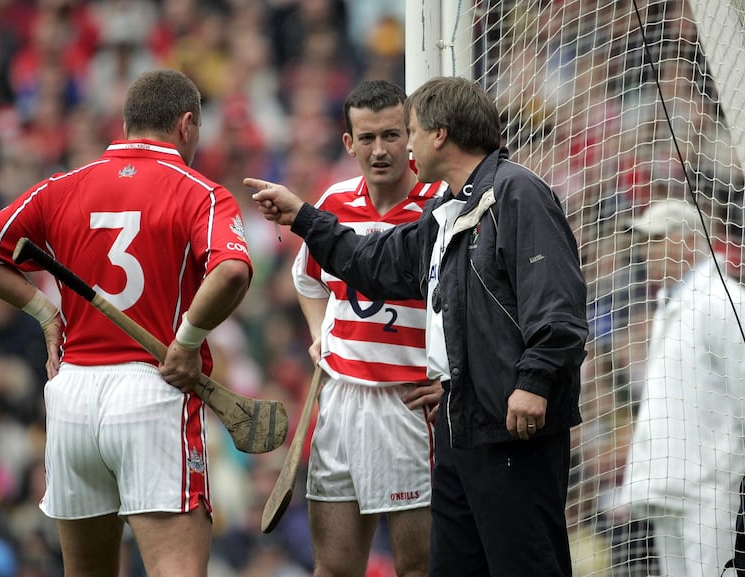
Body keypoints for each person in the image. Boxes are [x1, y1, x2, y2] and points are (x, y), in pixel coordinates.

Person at [247, 75, 588, 577]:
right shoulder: (446, 210)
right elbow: (377, 262)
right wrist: (304, 217)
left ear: (438, 135)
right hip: (458, 419)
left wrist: (534, 381)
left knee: (522, 564)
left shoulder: (518, 192)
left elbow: (558, 304)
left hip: (509, 423)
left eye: (407, 130)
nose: (399, 145)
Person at [0, 68, 252, 577]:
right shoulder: (200, 192)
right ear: (186, 126)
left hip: (71, 397)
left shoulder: (62, 185)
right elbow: (231, 271)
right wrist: (187, 341)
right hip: (152, 394)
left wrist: (46, 314)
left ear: (127, 122)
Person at [292, 79, 445, 577]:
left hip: (407, 403)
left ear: (411, 135)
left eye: (391, 135)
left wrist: (450, 372)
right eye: (367, 138)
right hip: (340, 401)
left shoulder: (438, 205)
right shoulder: (334, 202)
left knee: (417, 566)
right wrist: (319, 336)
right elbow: (306, 280)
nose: (379, 150)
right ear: (348, 143)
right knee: (333, 567)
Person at [618, 198, 745, 577]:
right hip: (668, 487)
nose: (645, 251)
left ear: (688, 240)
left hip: (711, 490)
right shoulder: (673, 302)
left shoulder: (724, 301)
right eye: (644, 241)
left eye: (656, 239)